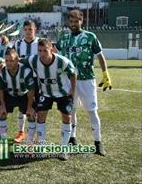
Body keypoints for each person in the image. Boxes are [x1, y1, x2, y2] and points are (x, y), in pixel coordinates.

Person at [55, 9, 112, 156]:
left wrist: (105, 74)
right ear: (68, 22)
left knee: (92, 111)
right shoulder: (64, 38)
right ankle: (72, 139)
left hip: (87, 80)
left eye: (76, 21)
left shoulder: (90, 37)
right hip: (69, 80)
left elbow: (100, 56)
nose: (73, 24)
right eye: (71, 21)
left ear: (82, 21)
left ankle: (98, 143)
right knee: (71, 110)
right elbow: (55, 52)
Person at [25, 38, 77, 161]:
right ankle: (42, 147)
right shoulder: (33, 60)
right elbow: (19, 61)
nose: (42, 54)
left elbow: (73, 74)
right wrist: (3, 63)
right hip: (45, 93)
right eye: (40, 50)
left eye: (45, 50)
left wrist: (72, 90)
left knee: (67, 117)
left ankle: (64, 149)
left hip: (63, 93)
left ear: (52, 49)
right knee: (41, 116)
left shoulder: (62, 61)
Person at [0, 48, 35, 140]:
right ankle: (3, 139)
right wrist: (2, 105)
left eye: (12, 60)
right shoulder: (2, 71)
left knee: (31, 115)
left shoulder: (26, 71)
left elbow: (31, 90)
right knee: (1, 113)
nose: (9, 63)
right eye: (6, 60)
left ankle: (30, 142)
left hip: (24, 95)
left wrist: (29, 107)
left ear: (17, 60)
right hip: (10, 95)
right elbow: (0, 88)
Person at [13, 20, 40, 143]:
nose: (28, 32)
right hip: (22, 79)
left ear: (35, 30)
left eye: (31, 29)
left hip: (38, 79)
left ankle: (37, 133)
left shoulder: (41, 43)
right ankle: (21, 132)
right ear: (23, 30)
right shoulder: (17, 44)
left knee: (39, 107)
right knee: (22, 107)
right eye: (26, 29)